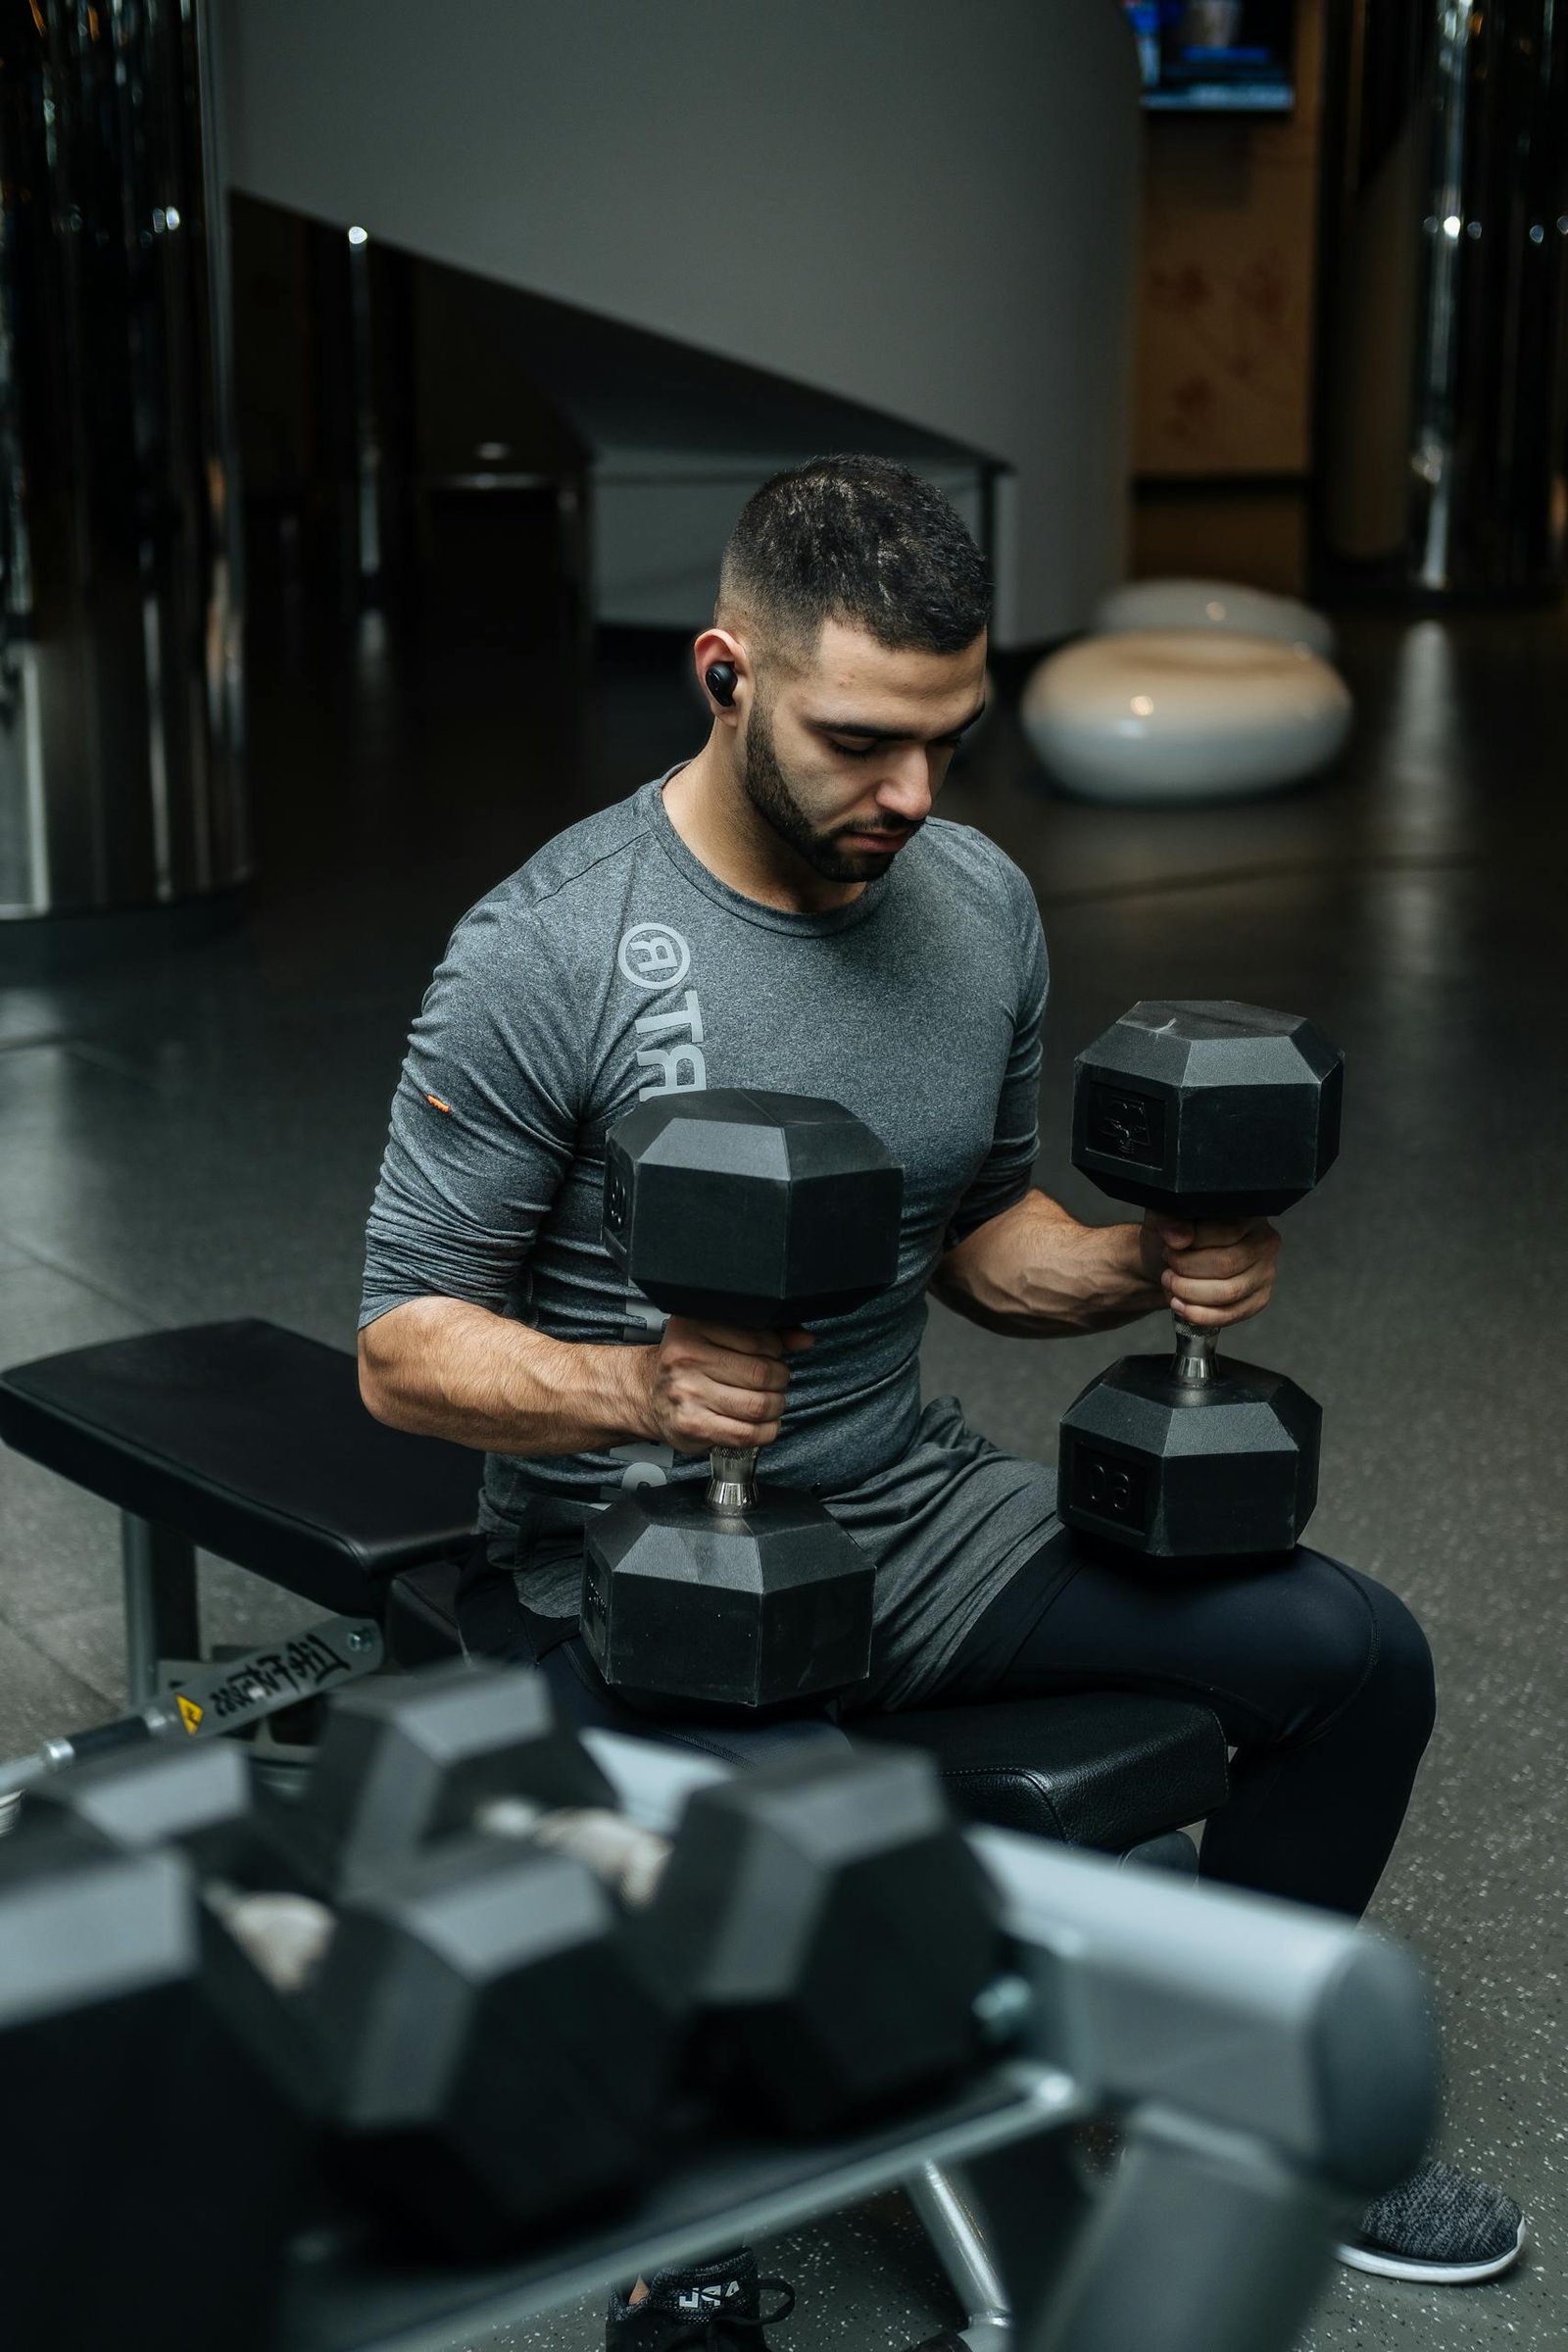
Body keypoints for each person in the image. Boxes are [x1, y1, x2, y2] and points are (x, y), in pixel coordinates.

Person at [358, 458, 1524, 2346]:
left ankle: (1233, 2105)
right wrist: (638, 1381)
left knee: (1356, 1658)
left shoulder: (970, 899)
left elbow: (981, 1242)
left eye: (950, 740)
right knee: (817, 1873)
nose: (912, 792)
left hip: (903, 1511)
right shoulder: (546, 947)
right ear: (725, 675)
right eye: (860, 740)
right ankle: (689, 2244)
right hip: (626, 1569)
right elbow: (401, 1347)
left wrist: (1158, 1259)